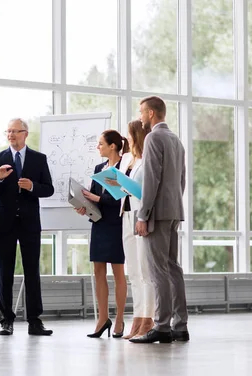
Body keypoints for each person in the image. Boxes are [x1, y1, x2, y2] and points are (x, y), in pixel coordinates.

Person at [0, 118, 54, 336]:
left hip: (30, 223)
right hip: (5, 223)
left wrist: (33, 186)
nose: (11, 135)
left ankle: (34, 320)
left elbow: (48, 189)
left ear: (25, 133)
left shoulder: (39, 159)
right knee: (5, 272)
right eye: (8, 131)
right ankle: (7, 320)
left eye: (15, 131)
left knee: (32, 271)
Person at [130, 96, 189, 344]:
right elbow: (181, 181)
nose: (141, 116)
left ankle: (162, 326)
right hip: (174, 211)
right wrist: (172, 206)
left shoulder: (154, 137)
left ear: (152, 113)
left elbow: (152, 179)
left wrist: (143, 215)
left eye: (142, 112)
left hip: (157, 213)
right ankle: (180, 325)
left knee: (158, 270)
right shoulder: (176, 140)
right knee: (173, 268)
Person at [75, 129, 129, 338]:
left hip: (116, 224)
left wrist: (97, 200)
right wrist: (84, 205)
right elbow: (94, 196)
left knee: (118, 272)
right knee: (98, 271)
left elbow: (121, 199)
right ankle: (102, 318)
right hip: (99, 223)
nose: (98, 147)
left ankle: (119, 319)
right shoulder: (99, 168)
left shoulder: (125, 167)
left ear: (112, 146)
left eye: (100, 144)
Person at [117, 120, 155, 339]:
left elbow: (147, 190)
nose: (127, 139)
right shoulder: (128, 160)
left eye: (130, 135)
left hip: (141, 214)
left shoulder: (148, 158)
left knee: (144, 271)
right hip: (126, 214)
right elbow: (124, 189)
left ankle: (148, 320)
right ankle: (138, 318)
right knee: (132, 271)